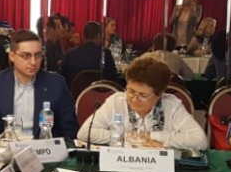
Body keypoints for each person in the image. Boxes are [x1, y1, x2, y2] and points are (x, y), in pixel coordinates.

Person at [77, 57, 208, 150]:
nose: (134, 98)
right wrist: (127, 137)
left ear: (159, 94)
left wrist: (152, 136)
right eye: (131, 91)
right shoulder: (116, 102)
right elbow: (84, 133)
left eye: (143, 95)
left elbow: (200, 141)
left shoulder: (171, 105)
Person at [0, 30, 78, 139]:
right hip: (6, 146)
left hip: (43, 147)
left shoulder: (56, 84)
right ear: (12, 56)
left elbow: (70, 130)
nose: (33, 62)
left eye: (38, 55)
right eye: (26, 56)